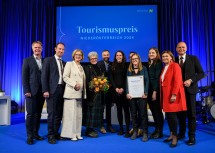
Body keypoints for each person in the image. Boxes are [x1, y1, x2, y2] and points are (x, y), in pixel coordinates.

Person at [175, 42, 204, 145]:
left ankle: (192, 136)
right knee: (180, 114)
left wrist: (191, 80)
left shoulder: (193, 58)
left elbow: (201, 73)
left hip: (190, 91)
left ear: (186, 48)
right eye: (179, 47)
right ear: (176, 49)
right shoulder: (173, 60)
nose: (181, 49)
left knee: (191, 114)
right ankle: (181, 133)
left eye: (183, 47)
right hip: (178, 92)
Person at [160, 50, 187, 147]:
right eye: (163, 57)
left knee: (172, 117)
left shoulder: (175, 66)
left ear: (171, 57)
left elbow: (178, 80)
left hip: (172, 95)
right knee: (168, 116)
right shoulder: (165, 68)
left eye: (166, 56)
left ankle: (175, 137)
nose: (164, 58)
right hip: (165, 95)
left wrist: (174, 94)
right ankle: (171, 134)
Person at [41, 42, 66, 144]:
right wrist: (45, 90)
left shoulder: (64, 63)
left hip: (62, 90)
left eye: (63, 49)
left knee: (59, 114)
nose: (61, 51)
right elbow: (44, 76)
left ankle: (56, 133)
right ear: (55, 49)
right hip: (51, 91)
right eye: (59, 49)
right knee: (52, 114)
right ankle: (50, 135)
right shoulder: (48, 60)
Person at [60, 49, 86, 141]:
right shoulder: (69, 64)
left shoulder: (81, 67)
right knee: (70, 115)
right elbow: (65, 77)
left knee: (78, 115)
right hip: (71, 93)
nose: (78, 56)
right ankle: (70, 135)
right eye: (76, 54)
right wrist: (74, 84)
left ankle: (77, 133)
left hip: (79, 94)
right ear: (73, 55)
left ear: (82, 57)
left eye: (80, 55)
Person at [22, 41, 45, 145]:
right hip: (31, 92)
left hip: (42, 92)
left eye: (39, 47)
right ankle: (30, 136)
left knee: (38, 114)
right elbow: (24, 77)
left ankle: (36, 134)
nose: (37, 49)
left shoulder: (45, 61)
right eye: (35, 47)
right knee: (30, 114)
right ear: (32, 49)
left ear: (42, 49)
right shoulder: (27, 60)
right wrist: (26, 90)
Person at [126, 53, 149, 142]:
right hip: (132, 96)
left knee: (143, 114)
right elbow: (127, 82)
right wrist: (127, 93)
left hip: (142, 96)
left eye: (136, 58)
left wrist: (146, 92)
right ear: (131, 60)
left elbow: (147, 81)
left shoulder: (144, 68)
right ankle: (135, 131)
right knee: (133, 114)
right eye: (133, 59)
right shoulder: (129, 70)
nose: (134, 60)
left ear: (139, 59)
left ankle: (145, 132)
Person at [83, 51, 104, 138]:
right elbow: (87, 81)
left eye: (95, 58)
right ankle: (88, 130)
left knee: (95, 112)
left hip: (99, 94)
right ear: (89, 59)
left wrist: (103, 85)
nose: (94, 60)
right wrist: (93, 87)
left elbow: (102, 79)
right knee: (90, 113)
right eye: (92, 59)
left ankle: (92, 129)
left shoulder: (99, 67)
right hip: (91, 94)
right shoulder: (87, 68)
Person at [110, 50, 130, 137]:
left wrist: (123, 88)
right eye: (117, 55)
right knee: (119, 110)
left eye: (120, 55)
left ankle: (127, 130)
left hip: (125, 91)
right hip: (116, 92)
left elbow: (127, 78)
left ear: (123, 56)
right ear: (115, 56)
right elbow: (111, 79)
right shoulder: (112, 66)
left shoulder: (127, 65)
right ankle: (121, 129)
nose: (118, 56)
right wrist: (116, 88)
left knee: (126, 111)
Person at [97, 50, 116, 133]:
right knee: (101, 109)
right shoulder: (98, 64)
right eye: (104, 55)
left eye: (107, 55)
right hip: (101, 90)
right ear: (102, 56)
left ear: (109, 55)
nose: (106, 56)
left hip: (110, 91)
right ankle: (101, 126)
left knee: (108, 109)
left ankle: (109, 125)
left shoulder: (112, 64)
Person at [147, 47, 164, 139]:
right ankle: (156, 129)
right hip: (149, 91)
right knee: (153, 111)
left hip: (155, 91)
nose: (151, 54)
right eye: (150, 53)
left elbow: (157, 78)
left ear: (157, 54)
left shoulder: (158, 63)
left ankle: (159, 131)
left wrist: (155, 91)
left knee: (157, 112)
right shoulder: (150, 64)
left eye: (153, 53)